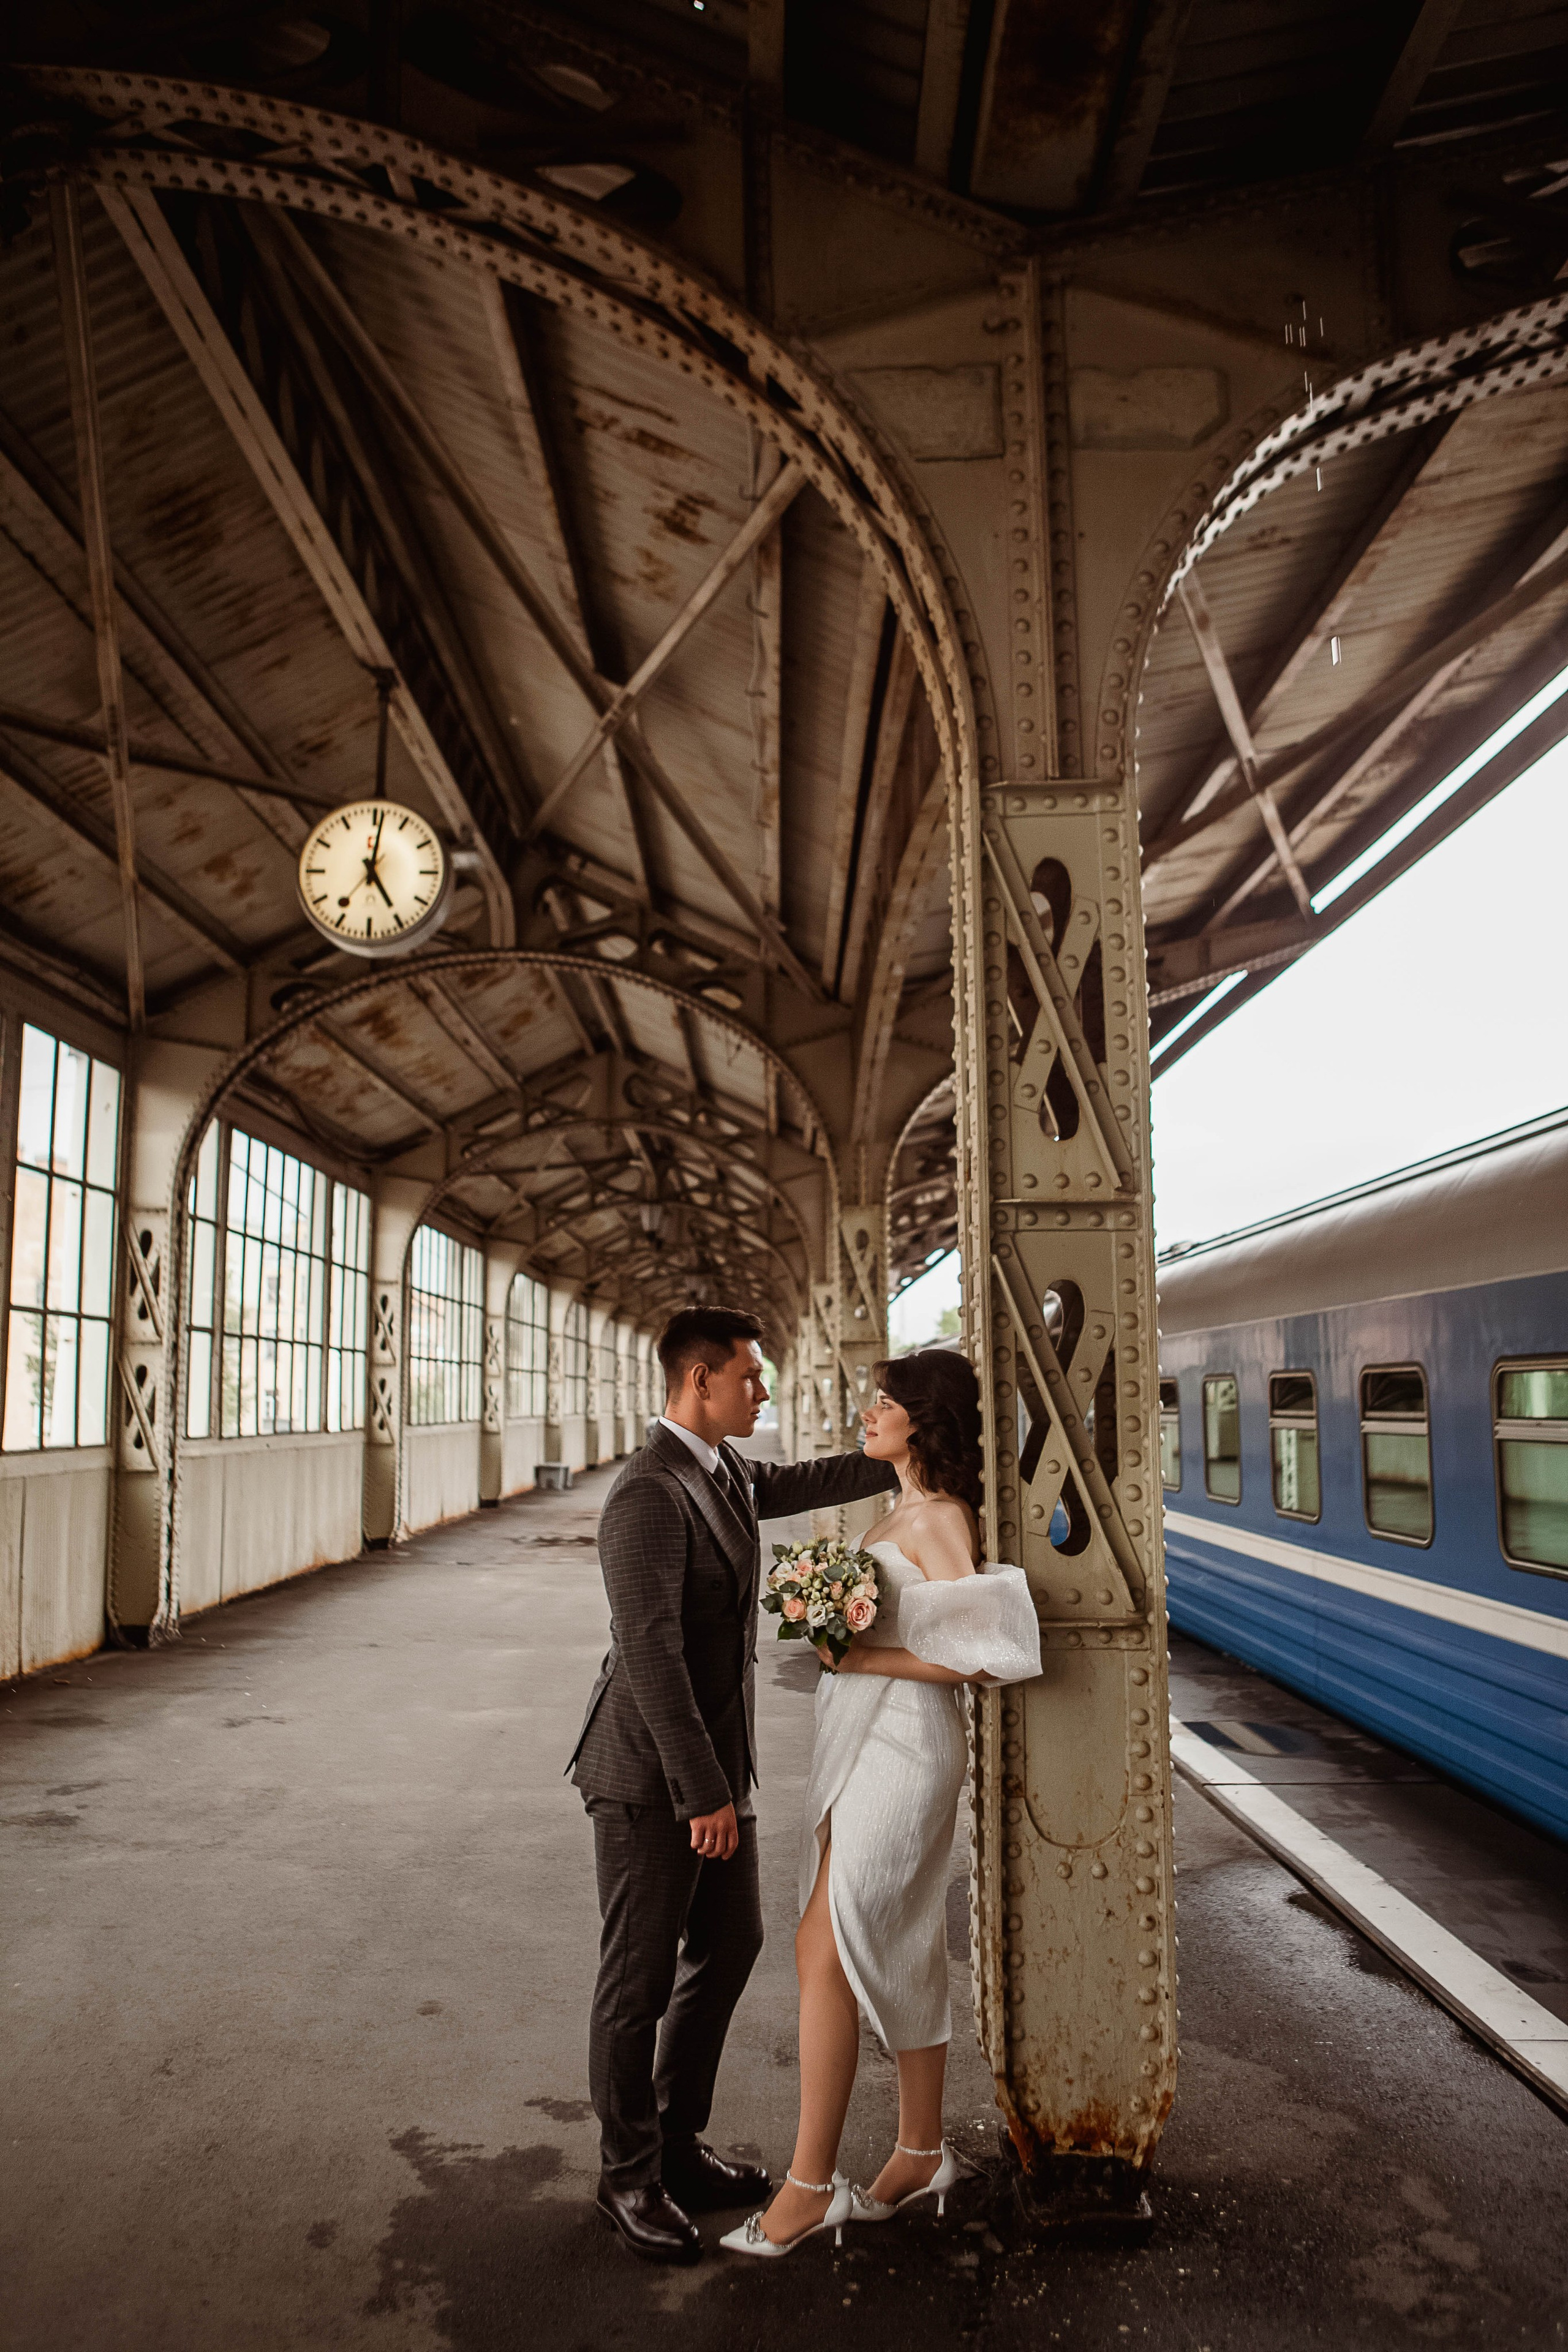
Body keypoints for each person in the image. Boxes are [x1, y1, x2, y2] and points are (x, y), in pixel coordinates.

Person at [569, 1305, 900, 2266]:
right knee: (635, 1981)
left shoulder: (721, 1470)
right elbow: (652, 1656)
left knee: (730, 1943)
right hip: (652, 1777)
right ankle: (627, 2178)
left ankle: (675, 2144)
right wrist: (702, 1795)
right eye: (751, 1376)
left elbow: (808, 1480)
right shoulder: (647, 1494)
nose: (763, 1389)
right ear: (699, 1380)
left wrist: (908, 1451)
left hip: (711, 1768)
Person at [720, 1348, 1041, 2258]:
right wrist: (834, 1633)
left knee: (822, 1946)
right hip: (861, 1737)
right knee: (897, 1943)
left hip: (905, 1747)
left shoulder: (938, 1519)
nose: (869, 1412)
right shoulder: (899, 1508)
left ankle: (809, 2187)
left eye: (887, 1401)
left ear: (921, 1421)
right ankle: (920, 2152)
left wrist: (861, 1655)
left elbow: (982, 1654)